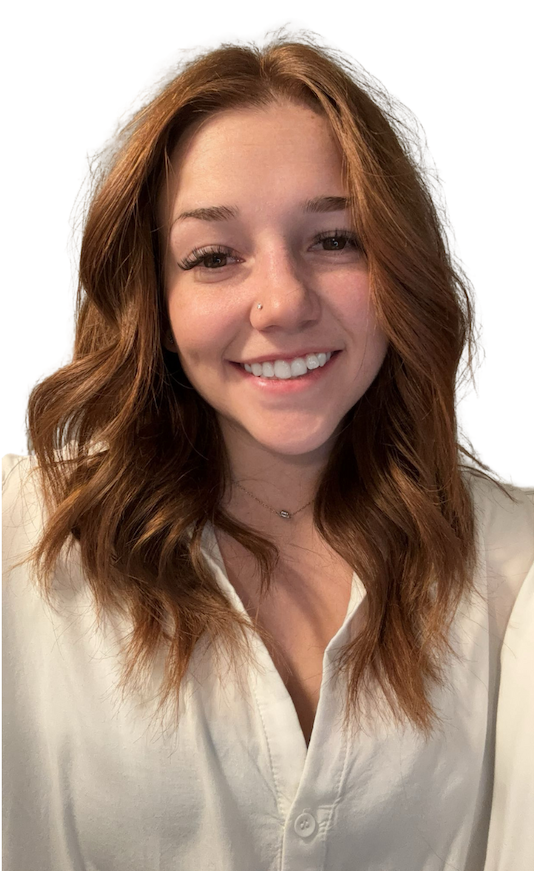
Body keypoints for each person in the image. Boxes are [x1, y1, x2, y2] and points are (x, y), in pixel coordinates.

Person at [2, 31, 533, 871]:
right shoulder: (19, 538)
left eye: (334, 240)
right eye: (214, 257)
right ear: (155, 302)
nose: (282, 302)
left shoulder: (516, 563)